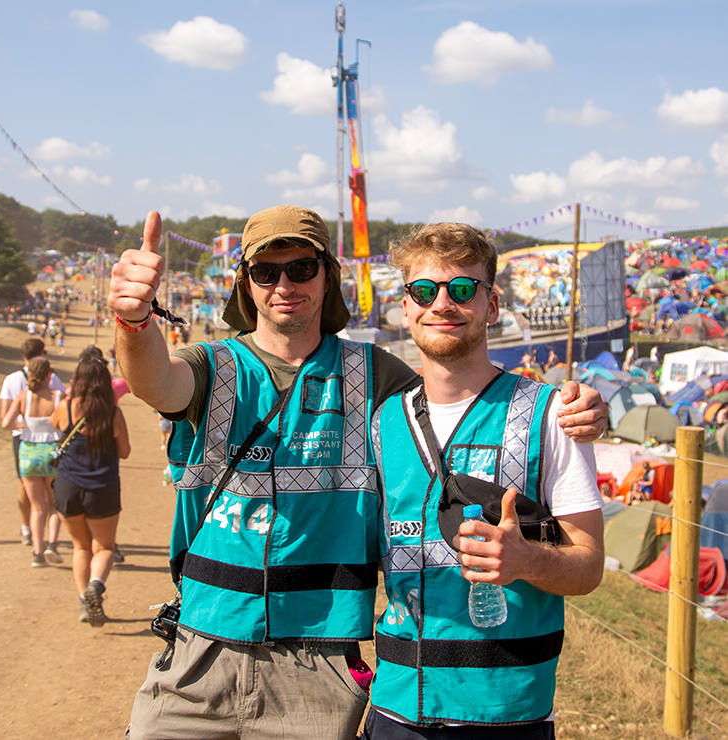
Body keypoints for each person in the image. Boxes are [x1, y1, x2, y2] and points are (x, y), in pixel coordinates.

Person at [108, 207, 606, 740]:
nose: (284, 284)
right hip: (202, 648)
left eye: (301, 268)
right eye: (266, 271)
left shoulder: (378, 377)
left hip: (320, 666)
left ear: (327, 278)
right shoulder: (214, 366)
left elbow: (456, 384)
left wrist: (576, 406)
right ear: (245, 284)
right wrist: (135, 321)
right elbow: (155, 382)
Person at [365, 223, 605, 738]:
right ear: (405, 308)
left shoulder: (550, 417)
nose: (443, 304)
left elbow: (588, 568)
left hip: (505, 713)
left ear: (491, 305)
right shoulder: (381, 424)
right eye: (425, 291)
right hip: (396, 708)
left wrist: (526, 560)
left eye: (463, 289)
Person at [50, 354, 131, 624]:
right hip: (102, 488)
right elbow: (125, 452)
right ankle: (96, 585)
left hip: (67, 486)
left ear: (79, 380)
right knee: (104, 547)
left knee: (80, 547)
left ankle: (85, 603)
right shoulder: (113, 413)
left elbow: (54, 424)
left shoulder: (66, 407)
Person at [0, 337, 65, 546]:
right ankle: (51, 543)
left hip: (26, 445)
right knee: (53, 502)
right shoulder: (55, 390)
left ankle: (30, 535)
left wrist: (26, 425)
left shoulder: (14, 385)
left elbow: (5, 419)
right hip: (51, 447)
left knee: (31, 497)